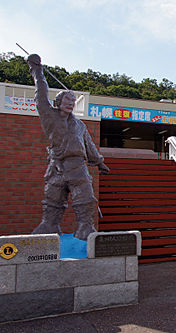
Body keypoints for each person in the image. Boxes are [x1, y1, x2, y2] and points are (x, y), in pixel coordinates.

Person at [27, 54, 110, 240]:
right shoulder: (49, 116)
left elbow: (88, 145)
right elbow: (41, 93)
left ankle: (85, 228)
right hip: (56, 166)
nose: (70, 104)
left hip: (77, 166)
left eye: (73, 102)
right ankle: (49, 225)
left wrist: (99, 162)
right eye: (67, 101)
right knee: (52, 199)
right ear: (58, 103)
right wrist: (37, 70)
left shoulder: (80, 125)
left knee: (85, 199)